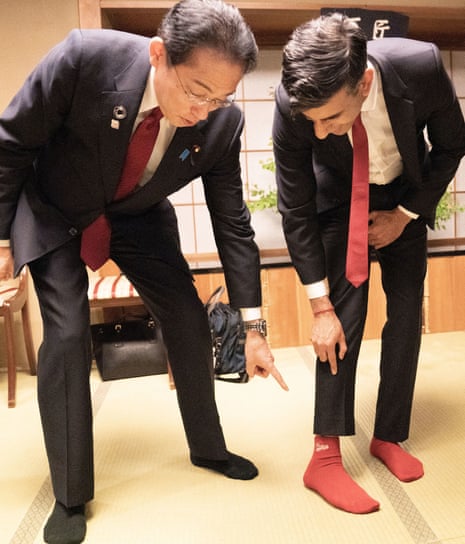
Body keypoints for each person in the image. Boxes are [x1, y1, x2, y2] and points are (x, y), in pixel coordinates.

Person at [0, 0, 289, 542]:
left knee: (184, 312)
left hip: (135, 214)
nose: (205, 110)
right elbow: (12, 144)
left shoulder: (221, 122)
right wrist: (0, 239)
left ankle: (209, 447)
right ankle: (69, 496)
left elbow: (233, 224)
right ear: (159, 54)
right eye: (196, 91)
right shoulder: (86, 58)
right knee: (65, 336)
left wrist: (253, 326)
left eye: (220, 97)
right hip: (54, 207)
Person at [273, 12, 465, 514]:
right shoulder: (293, 102)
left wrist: (404, 216)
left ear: (363, 83)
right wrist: (319, 307)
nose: (319, 132)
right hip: (335, 198)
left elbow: (452, 145)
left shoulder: (419, 68)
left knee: (406, 316)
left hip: (403, 195)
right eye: (310, 120)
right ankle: (324, 455)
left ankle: (389, 435)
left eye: (331, 118)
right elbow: (294, 205)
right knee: (342, 317)